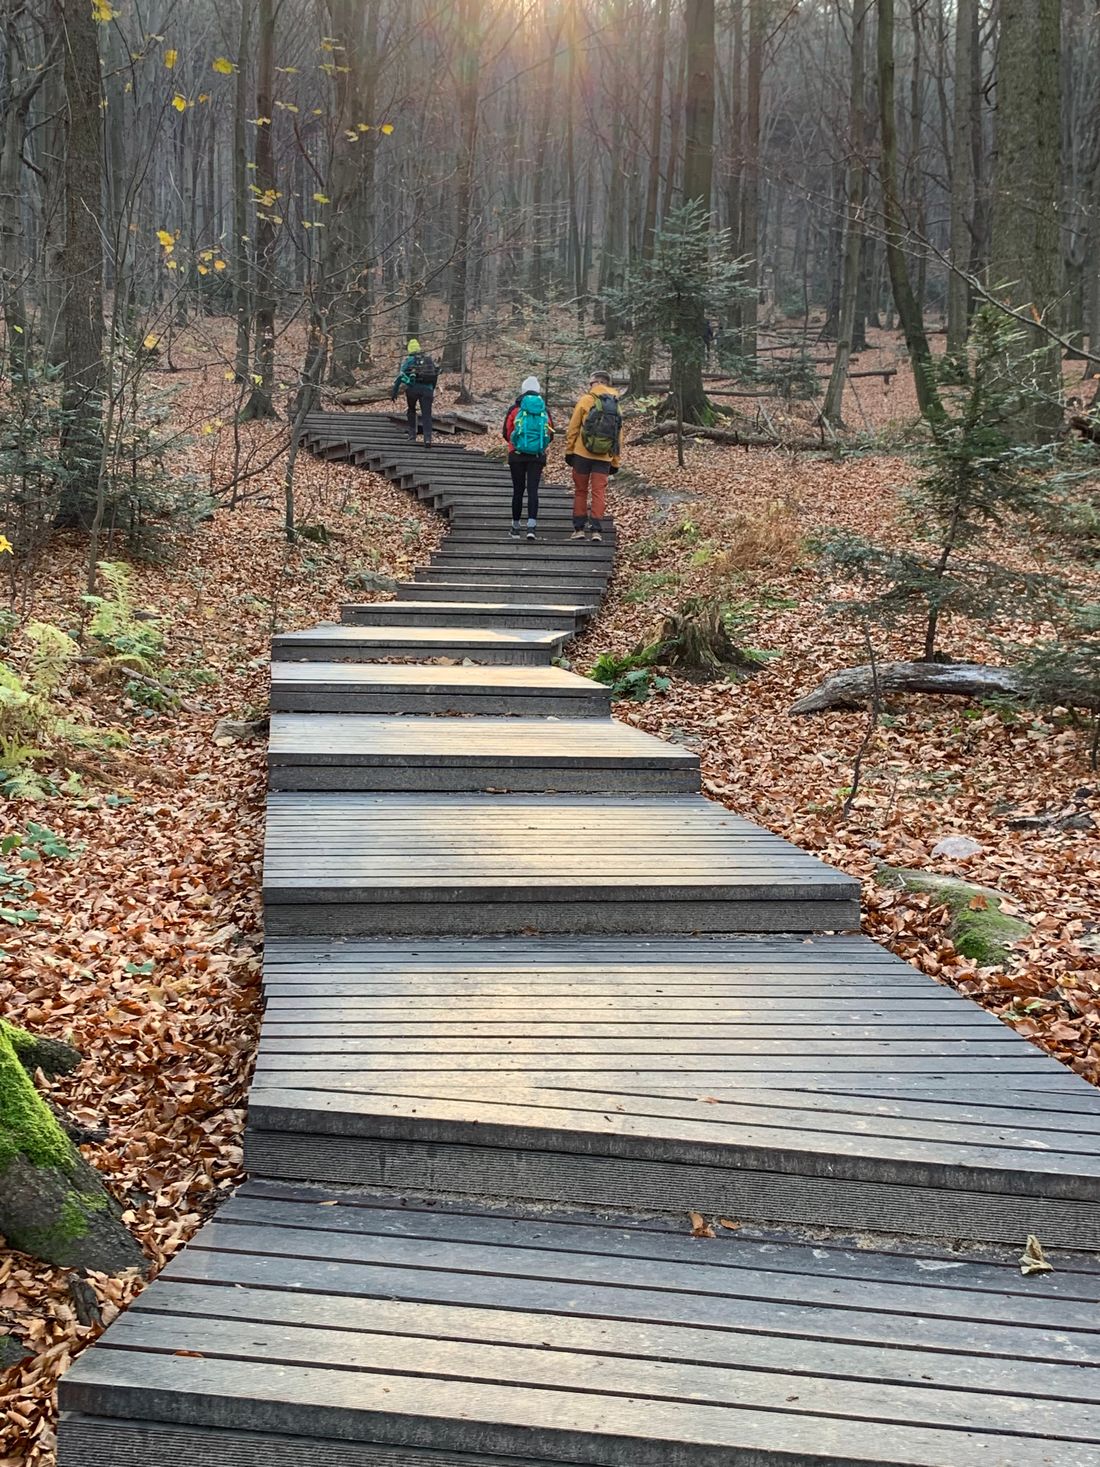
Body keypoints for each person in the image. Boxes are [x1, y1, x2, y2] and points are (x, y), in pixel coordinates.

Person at [564, 371, 621, 543]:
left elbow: (573, 428)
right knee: (599, 492)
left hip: (582, 454)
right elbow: (618, 436)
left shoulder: (586, 400)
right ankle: (596, 531)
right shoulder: (615, 404)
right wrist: (615, 460)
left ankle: (579, 529)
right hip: (604, 457)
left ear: (595, 382)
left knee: (581, 491)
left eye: (590, 383)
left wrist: (569, 451)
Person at [503, 376, 554, 540]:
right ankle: (531, 527)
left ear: (522, 390)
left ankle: (515, 527)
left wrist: (517, 444)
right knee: (533, 490)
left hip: (516, 455)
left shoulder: (515, 409)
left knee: (518, 490)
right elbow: (550, 434)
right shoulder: (544, 410)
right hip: (537, 456)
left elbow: (506, 432)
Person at [390, 338, 438, 447]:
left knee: (411, 409)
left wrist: (394, 392)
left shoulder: (409, 360)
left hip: (413, 389)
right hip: (428, 390)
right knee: (427, 414)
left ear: (409, 350)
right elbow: (435, 376)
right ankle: (427, 439)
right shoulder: (428, 360)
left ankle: (412, 435)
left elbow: (400, 376)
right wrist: (431, 389)